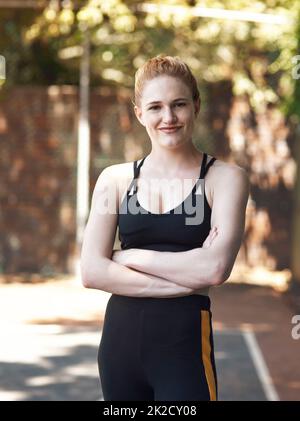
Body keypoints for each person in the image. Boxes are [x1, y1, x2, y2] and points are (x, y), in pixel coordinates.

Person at [80, 54, 249, 401]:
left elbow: (215, 268)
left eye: (179, 105)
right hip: (119, 347)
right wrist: (184, 282)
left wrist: (129, 256)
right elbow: (92, 271)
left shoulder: (224, 179)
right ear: (140, 113)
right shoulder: (115, 180)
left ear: (196, 106)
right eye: (155, 107)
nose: (168, 118)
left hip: (183, 348)